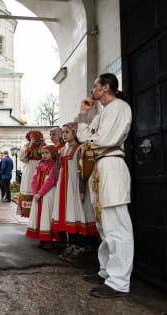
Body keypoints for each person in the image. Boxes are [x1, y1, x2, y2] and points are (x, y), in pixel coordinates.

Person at [78, 73, 133, 298]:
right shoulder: (101, 113)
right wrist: (83, 113)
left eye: (95, 86)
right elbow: (83, 135)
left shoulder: (119, 107)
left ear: (105, 87)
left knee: (116, 225)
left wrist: (89, 142)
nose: (92, 90)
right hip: (99, 167)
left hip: (111, 164)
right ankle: (106, 271)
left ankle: (119, 283)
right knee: (103, 224)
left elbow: (105, 139)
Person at [51, 122, 97, 263]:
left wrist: (82, 190)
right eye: (63, 132)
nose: (64, 135)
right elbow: (59, 169)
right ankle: (71, 244)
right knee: (67, 215)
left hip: (74, 186)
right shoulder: (63, 150)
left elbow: (83, 171)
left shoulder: (80, 149)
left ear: (75, 133)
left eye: (67, 132)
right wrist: (58, 185)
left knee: (76, 214)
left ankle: (79, 246)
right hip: (64, 187)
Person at [27, 145, 58, 250]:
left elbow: (50, 181)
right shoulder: (40, 165)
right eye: (43, 153)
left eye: (47, 153)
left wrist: (40, 193)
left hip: (48, 194)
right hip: (38, 195)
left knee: (47, 215)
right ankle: (42, 237)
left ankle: (49, 239)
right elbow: (34, 178)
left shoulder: (54, 165)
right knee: (39, 216)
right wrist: (35, 192)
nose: (44, 155)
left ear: (53, 153)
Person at [18, 131, 44, 217]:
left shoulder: (43, 146)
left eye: (37, 138)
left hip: (41, 170)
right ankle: (29, 213)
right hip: (29, 170)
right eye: (33, 138)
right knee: (29, 188)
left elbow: (46, 157)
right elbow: (23, 159)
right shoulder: (25, 146)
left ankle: (40, 212)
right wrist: (30, 146)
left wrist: (42, 144)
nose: (35, 140)